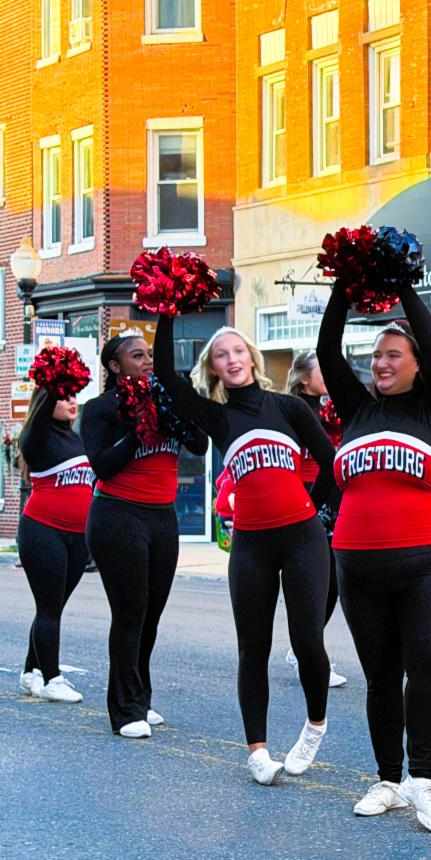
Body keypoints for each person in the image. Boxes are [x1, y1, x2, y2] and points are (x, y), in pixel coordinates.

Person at [155, 319, 335, 786]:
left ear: (252, 358)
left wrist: (307, 508)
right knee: (252, 648)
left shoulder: (289, 407)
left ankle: (315, 724)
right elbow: (166, 376)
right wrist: (167, 312)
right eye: (221, 355)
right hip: (251, 544)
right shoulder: (217, 417)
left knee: (307, 641)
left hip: (302, 538)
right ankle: (258, 751)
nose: (232, 359)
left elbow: (330, 463)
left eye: (238, 351)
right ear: (213, 368)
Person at [317, 277, 431, 833]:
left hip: (428, 560)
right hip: (357, 563)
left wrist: (401, 284)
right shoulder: (356, 410)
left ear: (419, 364)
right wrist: (344, 281)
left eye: (393, 354)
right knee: (379, 677)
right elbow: (328, 348)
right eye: (376, 355)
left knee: (423, 668)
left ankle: (422, 780)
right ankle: (388, 779)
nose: (380, 362)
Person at [81, 335, 209, 736]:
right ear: (115, 366)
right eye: (137, 355)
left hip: (162, 517)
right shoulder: (100, 408)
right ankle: (125, 711)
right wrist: (139, 429)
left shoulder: (164, 399)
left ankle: (141, 697)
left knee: (150, 614)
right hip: (117, 515)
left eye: (150, 354)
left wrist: (179, 405)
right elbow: (102, 466)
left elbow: (200, 445)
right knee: (130, 612)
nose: (147, 360)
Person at [16, 384, 93, 705]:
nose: (72, 401)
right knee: (49, 607)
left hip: (78, 536)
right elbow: (44, 403)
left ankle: (30, 672)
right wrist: (55, 378)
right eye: (64, 396)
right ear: (47, 401)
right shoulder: (36, 436)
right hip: (43, 531)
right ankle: (51, 679)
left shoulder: (76, 438)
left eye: (74, 395)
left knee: (52, 607)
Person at [283, 351, 348, 688]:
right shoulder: (293, 412)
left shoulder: (328, 413)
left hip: (332, 504)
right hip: (305, 500)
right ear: (304, 378)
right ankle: (307, 653)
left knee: (332, 585)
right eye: (321, 370)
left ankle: (304, 648)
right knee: (314, 584)